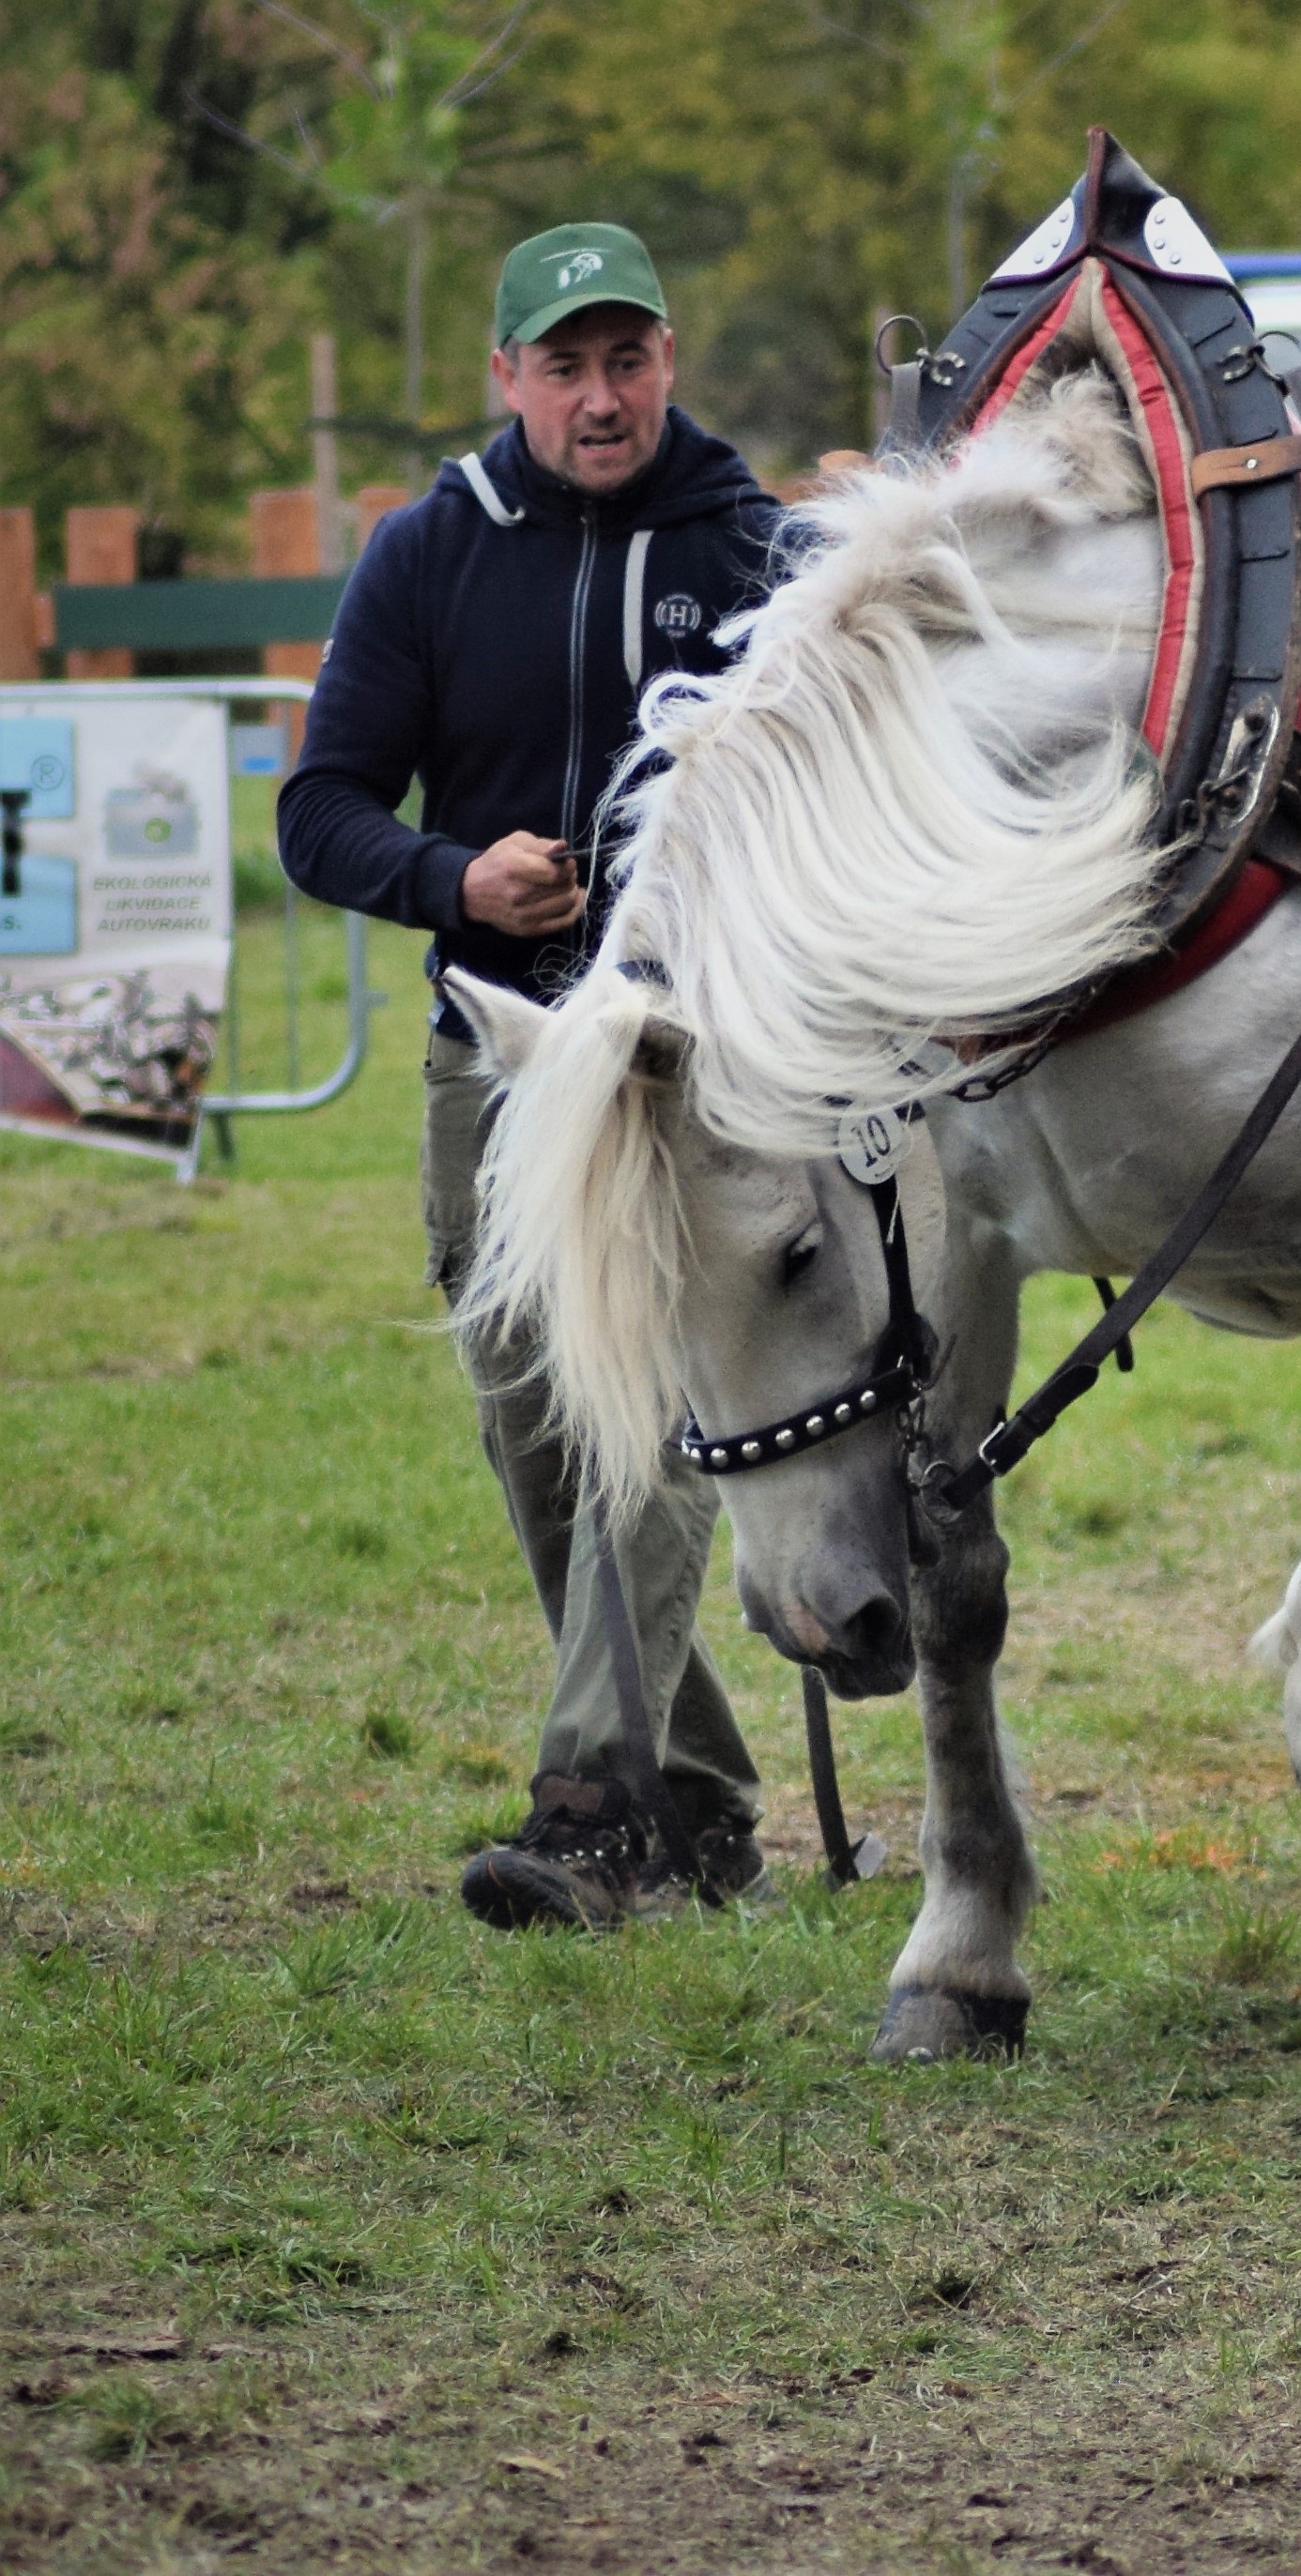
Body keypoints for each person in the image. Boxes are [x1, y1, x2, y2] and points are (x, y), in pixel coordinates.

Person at [279, 222, 791, 1928]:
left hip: (687, 1061)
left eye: (627, 357)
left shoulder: (761, 551)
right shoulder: (429, 555)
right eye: (563, 364)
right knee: (542, 1445)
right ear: (505, 376)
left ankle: (585, 1815)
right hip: (492, 1056)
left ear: (671, 359)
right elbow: (319, 810)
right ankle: (704, 1802)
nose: (600, 395)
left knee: (646, 1420)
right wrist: (453, 880)